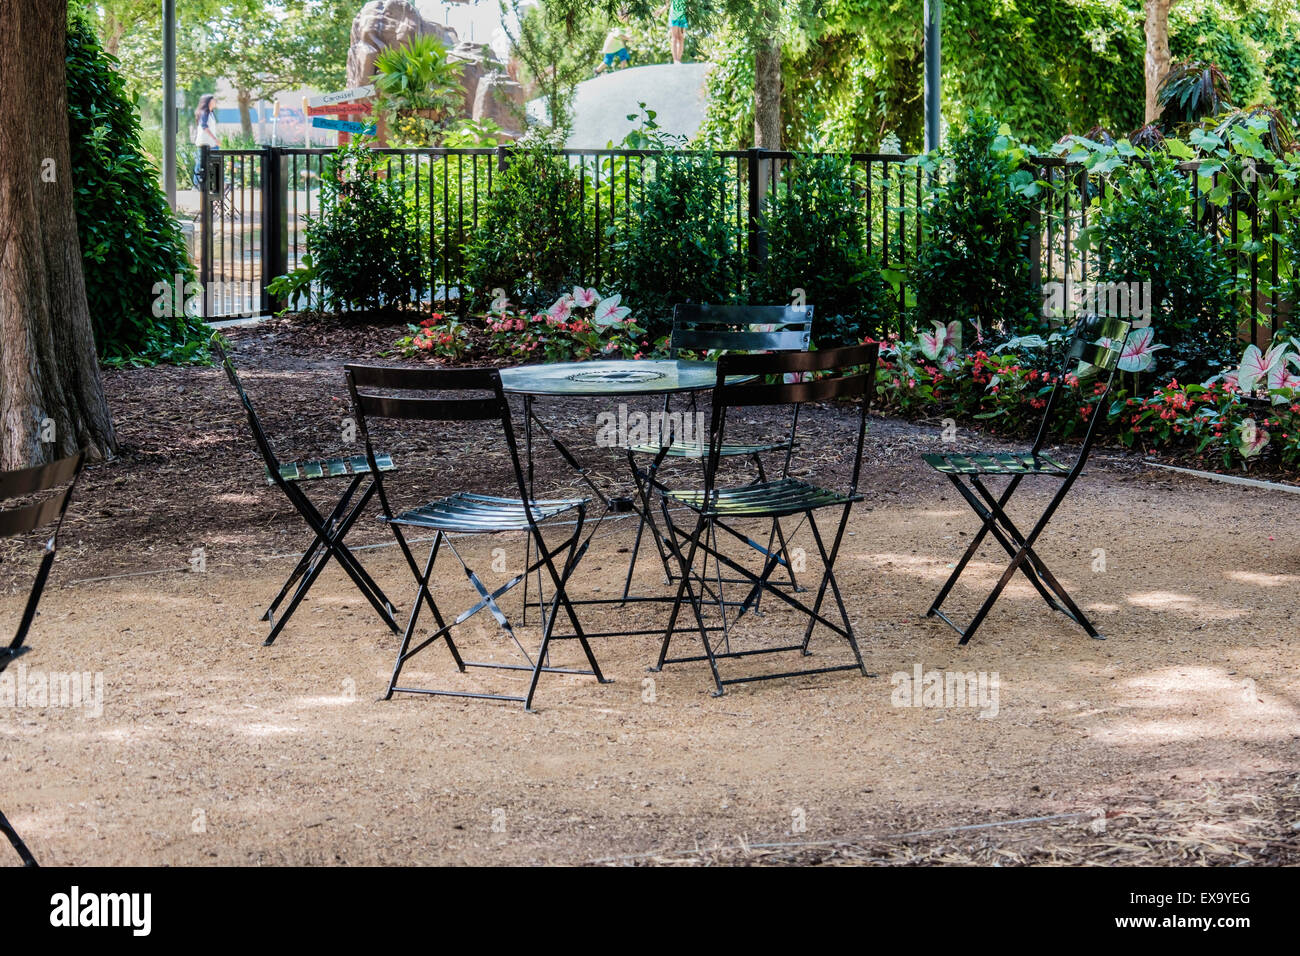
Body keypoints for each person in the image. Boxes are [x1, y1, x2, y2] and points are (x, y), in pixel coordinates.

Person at [192, 94, 220, 187]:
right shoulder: (204, 112)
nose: (215, 101)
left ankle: (213, 183)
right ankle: (197, 184)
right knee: (200, 163)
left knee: (215, 162)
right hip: (204, 142)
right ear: (208, 102)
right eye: (213, 100)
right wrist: (215, 138)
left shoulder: (212, 113)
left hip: (212, 143)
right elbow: (204, 127)